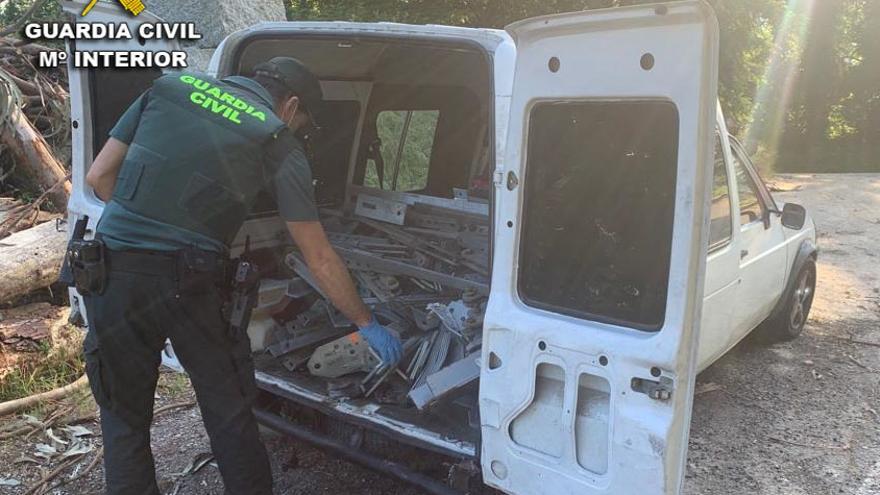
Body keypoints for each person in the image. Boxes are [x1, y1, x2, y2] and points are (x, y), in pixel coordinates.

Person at [81, 57, 403, 495]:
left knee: (124, 418)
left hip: (110, 270)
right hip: (188, 283)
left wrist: (148, 225)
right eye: (302, 122)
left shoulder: (168, 88)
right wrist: (367, 324)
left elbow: (99, 177)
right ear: (290, 106)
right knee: (228, 412)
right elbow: (318, 255)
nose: (297, 130)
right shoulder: (275, 139)